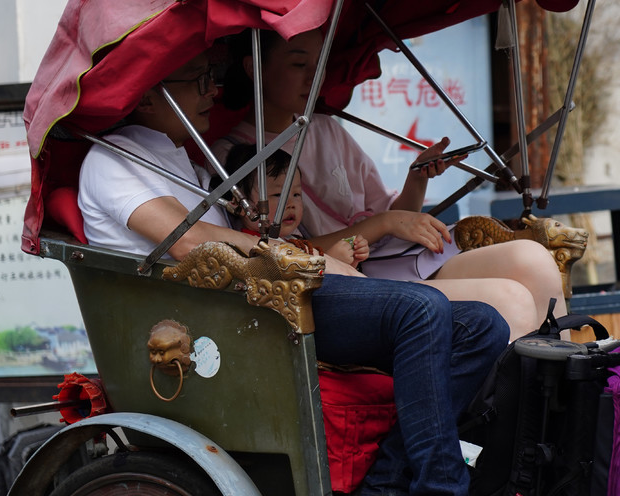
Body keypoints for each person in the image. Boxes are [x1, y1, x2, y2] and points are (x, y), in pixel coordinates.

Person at [78, 50, 510, 496]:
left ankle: (386, 485)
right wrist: (296, 256)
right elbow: (186, 240)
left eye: (211, 76)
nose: (213, 90)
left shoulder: (181, 158)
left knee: (483, 326)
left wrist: (304, 253)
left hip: (262, 294)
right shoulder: (114, 161)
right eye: (198, 79)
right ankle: (442, 486)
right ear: (147, 97)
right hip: (228, 318)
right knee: (421, 310)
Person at [213, 28, 567, 340]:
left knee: (533, 258)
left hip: (392, 261)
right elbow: (279, 250)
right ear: (254, 68)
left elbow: (393, 220)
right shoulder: (233, 155)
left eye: (318, 65)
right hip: (340, 282)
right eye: (298, 64)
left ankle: (573, 387)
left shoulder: (327, 130)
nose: (313, 79)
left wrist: (416, 179)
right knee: (509, 299)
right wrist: (381, 225)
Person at [223, 143, 371, 267]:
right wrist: (331, 262)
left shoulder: (292, 242)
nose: (291, 204)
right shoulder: (254, 248)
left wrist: (350, 261)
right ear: (241, 205)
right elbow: (289, 283)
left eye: (296, 195)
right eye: (277, 195)